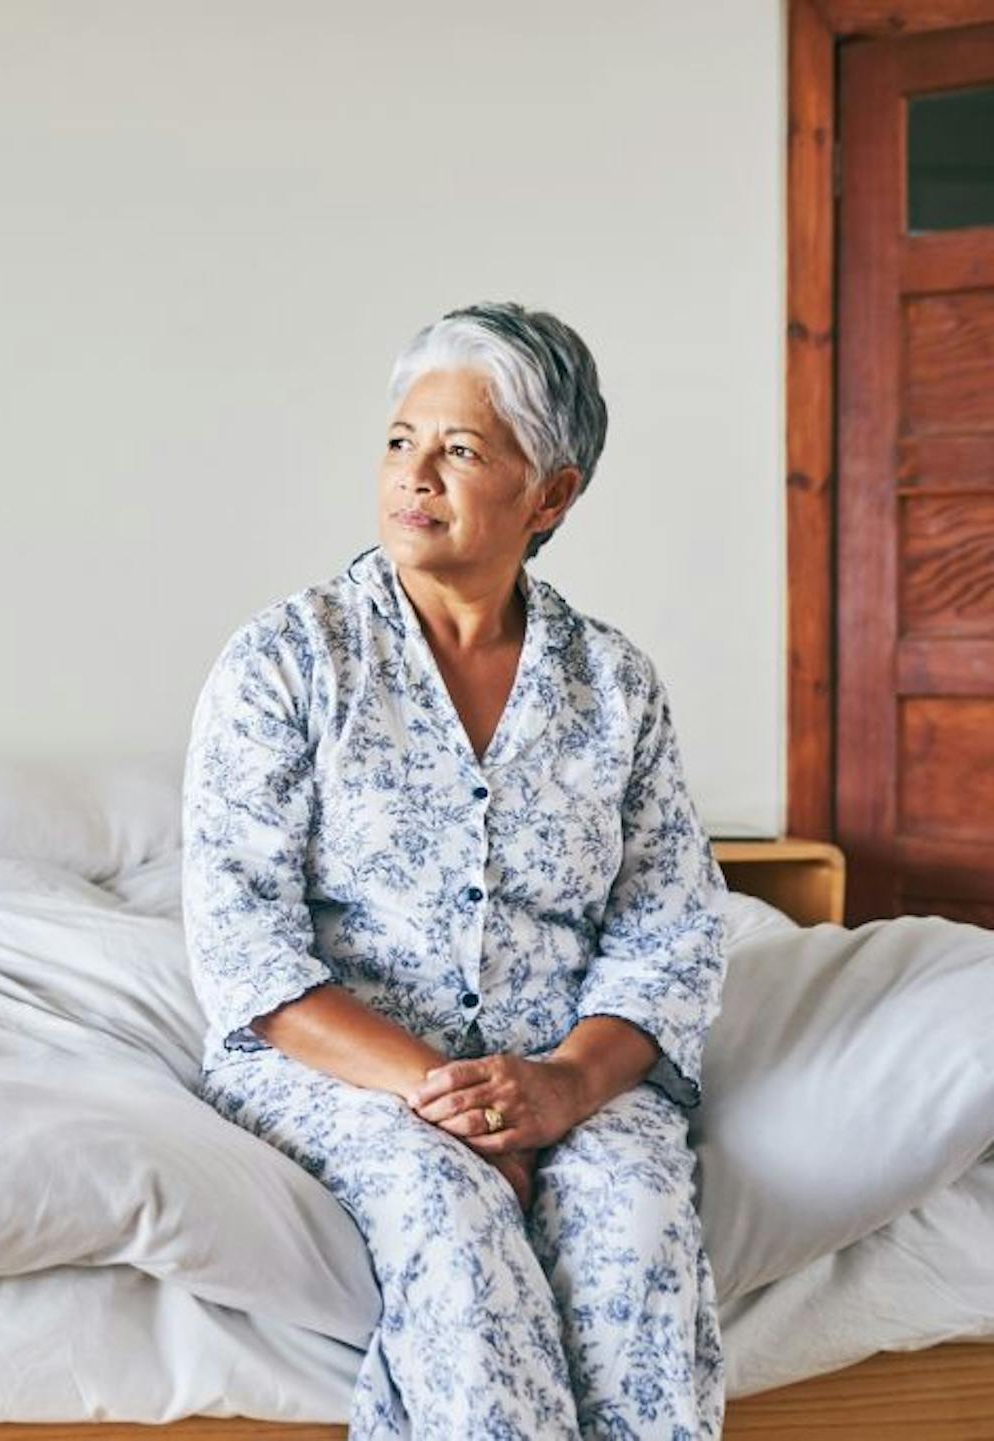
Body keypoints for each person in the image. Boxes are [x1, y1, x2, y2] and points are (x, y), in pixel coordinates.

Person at [183, 301, 726, 1439]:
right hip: (341, 1066)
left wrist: (567, 1086)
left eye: (460, 450)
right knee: (456, 1220)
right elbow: (246, 951)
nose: (412, 474)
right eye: (399, 441)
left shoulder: (615, 687)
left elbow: (671, 933)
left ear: (552, 496)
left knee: (634, 1221)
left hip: (560, 1066)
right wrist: (451, 1105)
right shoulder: (286, 660)